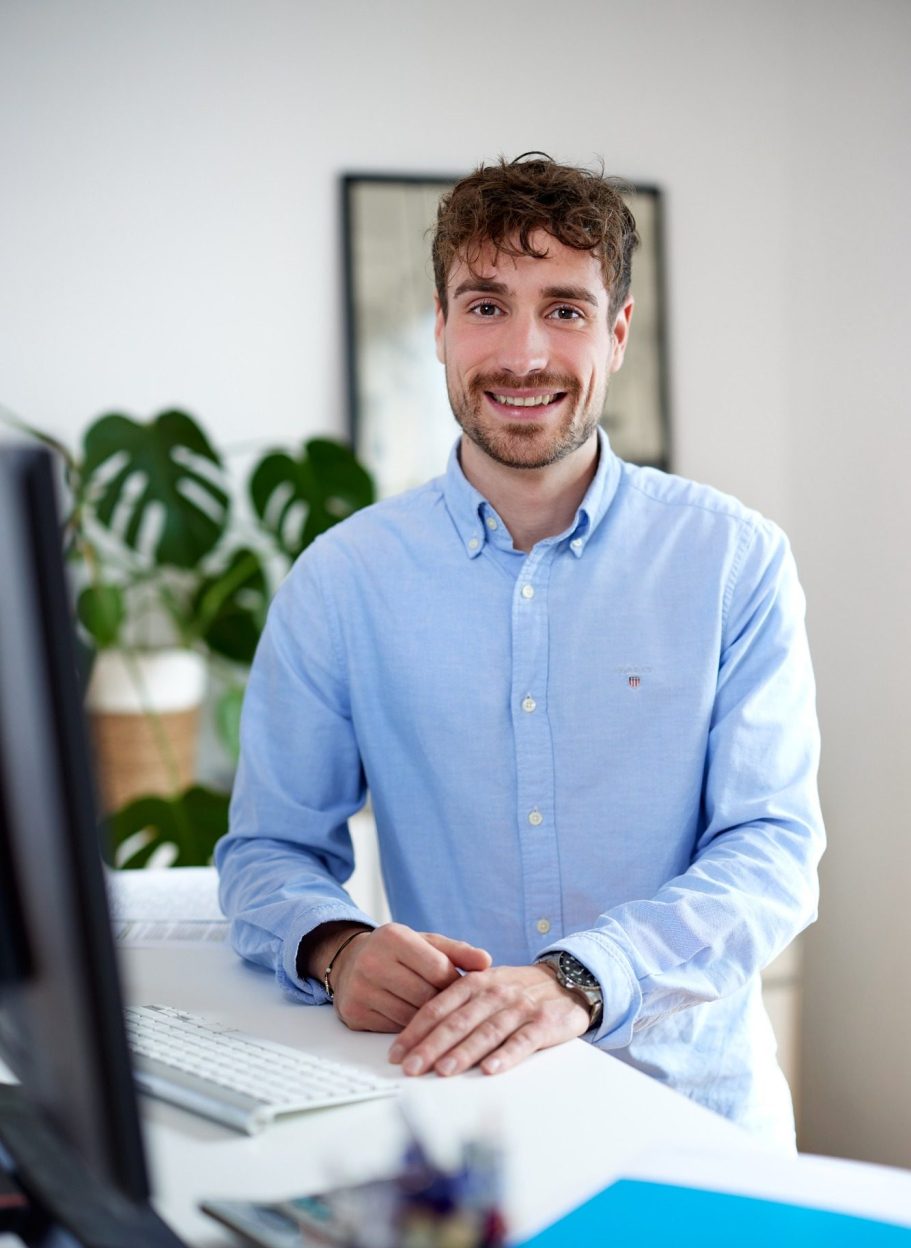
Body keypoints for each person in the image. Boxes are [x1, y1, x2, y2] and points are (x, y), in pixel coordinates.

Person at [216, 154, 824, 1148]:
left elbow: (771, 854)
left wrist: (577, 980)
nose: (524, 354)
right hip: (460, 1119)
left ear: (617, 333)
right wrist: (333, 947)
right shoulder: (343, 578)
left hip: (694, 1118)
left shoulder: (732, 560)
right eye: (487, 305)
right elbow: (268, 852)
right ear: (441, 325)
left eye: (566, 311)